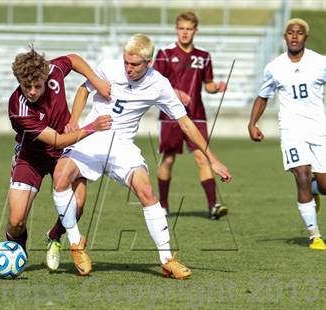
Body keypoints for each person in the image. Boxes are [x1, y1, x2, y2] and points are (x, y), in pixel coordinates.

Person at [47, 34, 232, 279]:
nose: (128, 68)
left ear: (149, 62)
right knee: (61, 177)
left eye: (134, 65)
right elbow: (83, 91)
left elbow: (186, 124)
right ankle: (75, 243)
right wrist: (73, 121)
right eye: (126, 62)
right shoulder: (109, 67)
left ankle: (167, 259)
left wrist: (213, 159)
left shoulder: (159, 84)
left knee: (146, 191)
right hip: (92, 137)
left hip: (122, 144)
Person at [5, 46, 112, 257]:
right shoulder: (18, 108)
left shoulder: (53, 70)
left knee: (78, 205)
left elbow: (73, 59)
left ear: (46, 78)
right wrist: (91, 127)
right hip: (32, 156)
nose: (32, 91)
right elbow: (58, 140)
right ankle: (16, 253)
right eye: (27, 86)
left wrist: (97, 82)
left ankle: (54, 236)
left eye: (37, 86)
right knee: (16, 221)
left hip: (67, 151)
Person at [248, 18, 326, 250]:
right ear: (285, 37)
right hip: (291, 130)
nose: (294, 36)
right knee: (301, 175)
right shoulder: (274, 67)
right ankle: (315, 236)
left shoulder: (320, 62)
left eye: (299, 33)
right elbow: (263, 96)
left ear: (305, 37)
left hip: (319, 130)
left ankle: (315, 190)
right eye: (290, 33)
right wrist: (252, 123)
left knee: (323, 185)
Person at [153, 12, 227, 219]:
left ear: (196, 30)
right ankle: (164, 206)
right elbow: (155, 84)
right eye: (181, 28)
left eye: (189, 29)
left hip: (196, 115)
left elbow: (208, 85)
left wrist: (217, 87)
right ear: (176, 29)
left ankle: (213, 206)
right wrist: (176, 93)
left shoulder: (203, 56)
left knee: (202, 158)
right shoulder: (164, 53)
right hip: (170, 116)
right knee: (167, 160)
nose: (185, 33)